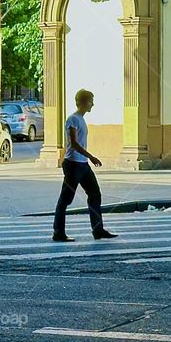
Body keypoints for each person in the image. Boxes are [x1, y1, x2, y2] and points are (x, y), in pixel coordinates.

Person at [53, 89, 117, 242]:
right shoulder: (73, 119)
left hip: (82, 164)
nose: (93, 104)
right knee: (65, 200)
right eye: (91, 101)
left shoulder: (81, 119)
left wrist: (87, 159)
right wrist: (91, 156)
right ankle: (58, 232)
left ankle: (98, 230)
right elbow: (74, 143)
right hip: (73, 164)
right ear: (84, 102)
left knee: (95, 194)